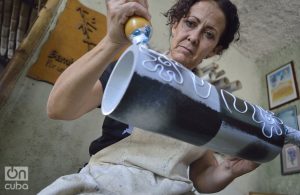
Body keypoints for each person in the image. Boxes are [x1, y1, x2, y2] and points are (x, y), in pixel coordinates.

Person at [41, 0, 259, 194]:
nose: (193, 37)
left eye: (209, 34)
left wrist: (230, 169)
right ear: (175, 25)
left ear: (214, 50)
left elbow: (202, 178)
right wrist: (112, 41)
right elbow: (59, 108)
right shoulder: (134, 69)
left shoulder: (210, 104)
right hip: (106, 183)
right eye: (190, 23)